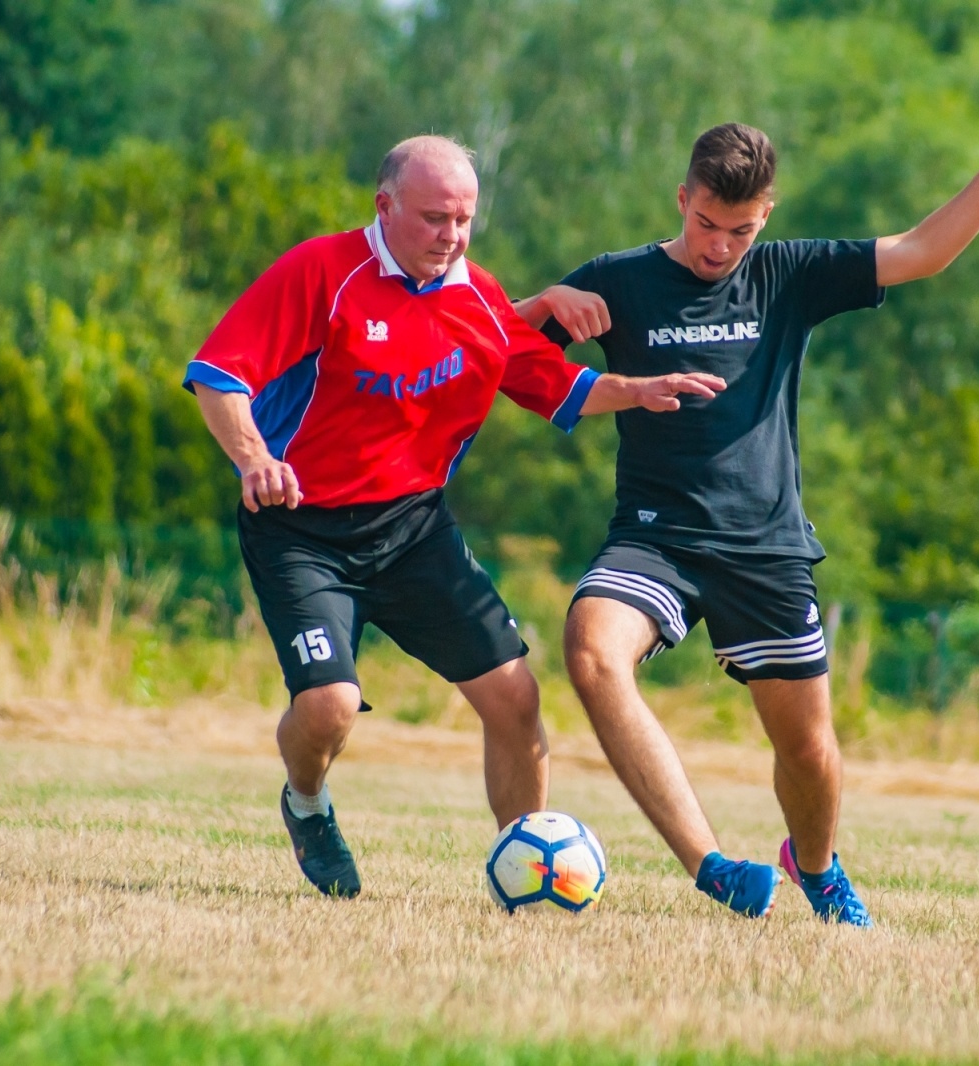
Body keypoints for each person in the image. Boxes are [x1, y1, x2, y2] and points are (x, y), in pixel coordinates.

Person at [515, 108, 979, 922]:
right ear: (682, 199)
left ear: (766, 216)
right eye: (706, 223)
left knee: (809, 751)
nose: (719, 246)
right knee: (592, 653)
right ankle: (711, 867)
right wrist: (545, 299)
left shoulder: (787, 274)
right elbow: (499, 351)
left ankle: (815, 867)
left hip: (765, 546)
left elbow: (923, 252)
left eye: (739, 230)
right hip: (655, 536)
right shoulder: (620, 279)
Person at [185, 135, 724, 898]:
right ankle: (306, 803)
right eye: (436, 217)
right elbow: (218, 376)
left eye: (465, 218)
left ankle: (531, 870)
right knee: (330, 706)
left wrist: (633, 388)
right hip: (299, 526)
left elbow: (557, 385)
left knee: (515, 695)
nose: (453, 235)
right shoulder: (321, 273)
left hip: (413, 530)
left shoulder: (478, 297)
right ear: (385, 207)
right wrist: (253, 459)